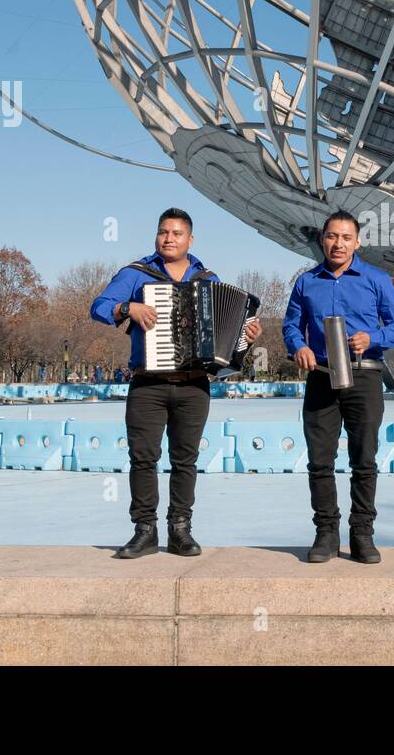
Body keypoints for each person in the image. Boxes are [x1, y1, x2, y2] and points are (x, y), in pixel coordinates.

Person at [90, 208, 262, 558]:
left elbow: (230, 339)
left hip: (194, 385)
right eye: (163, 232)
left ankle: (181, 528)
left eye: (177, 233)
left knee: (186, 460)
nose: (169, 238)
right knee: (143, 458)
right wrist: (128, 308)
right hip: (147, 384)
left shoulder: (208, 278)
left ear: (190, 239)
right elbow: (99, 305)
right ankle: (144, 530)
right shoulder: (137, 273)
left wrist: (247, 336)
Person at [283, 210, 394, 564]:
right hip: (321, 375)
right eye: (332, 237)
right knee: (320, 460)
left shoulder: (377, 279)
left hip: (364, 375)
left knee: (363, 459)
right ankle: (325, 533)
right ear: (323, 239)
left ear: (357, 242)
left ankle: (362, 533)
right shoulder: (306, 282)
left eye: (345, 237)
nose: (338, 244)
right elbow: (291, 326)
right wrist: (299, 347)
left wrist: (373, 337)